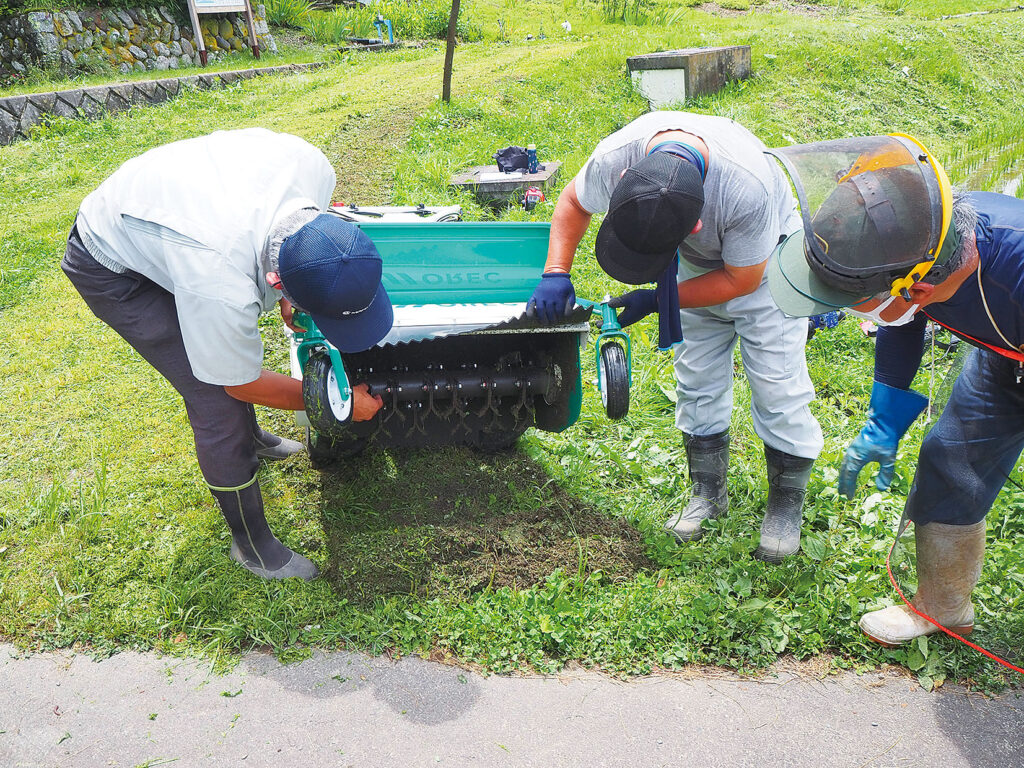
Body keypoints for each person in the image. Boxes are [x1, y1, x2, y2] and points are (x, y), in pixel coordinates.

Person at [61, 128, 390, 581]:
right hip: (113, 260)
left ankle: (255, 439)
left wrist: (303, 287)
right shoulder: (218, 282)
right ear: (277, 282)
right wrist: (337, 403)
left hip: (177, 219)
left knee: (226, 348)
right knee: (215, 397)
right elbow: (238, 381)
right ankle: (252, 545)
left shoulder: (313, 168)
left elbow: (314, 244)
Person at [527, 111, 823, 562]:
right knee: (696, 378)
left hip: (765, 271)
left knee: (777, 385)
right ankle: (708, 494)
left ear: (696, 225)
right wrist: (555, 272)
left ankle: (785, 507)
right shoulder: (616, 156)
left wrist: (660, 300)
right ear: (624, 178)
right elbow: (573, 201)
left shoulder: (747, 189)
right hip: (692, 265)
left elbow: (740, 280)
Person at [766, 132, 1024, 645]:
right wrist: (885, 417)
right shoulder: (921, 240)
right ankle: (944, 607)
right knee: (950, 458)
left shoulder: (1013, 271)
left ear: (921, 288)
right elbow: (901, 318)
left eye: (850, 297)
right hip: (1006, 358)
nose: (841, 304)